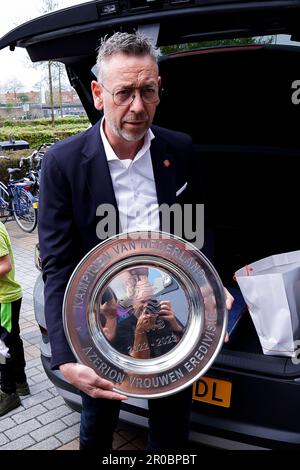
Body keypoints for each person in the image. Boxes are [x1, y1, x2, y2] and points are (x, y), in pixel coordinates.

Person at [38, 31, 233, 451]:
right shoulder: (62, 164)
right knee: (98, 422)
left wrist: (210, 289)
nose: (138, 107)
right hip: (103, 318)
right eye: (124, 92)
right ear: (98, 93)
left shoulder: (179, 148)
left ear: (159, 89)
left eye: (148, 91)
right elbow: (57, 265)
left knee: (172, 426)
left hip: (173, 309)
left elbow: (197, 231)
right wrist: (64, 356)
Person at [0, 221, 30, 417]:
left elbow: (5, 264)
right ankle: (21, 383)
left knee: (3, 347)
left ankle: (8, 392)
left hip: (3, 299)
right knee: (11, 340)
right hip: (8, 297)